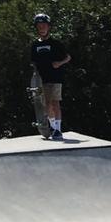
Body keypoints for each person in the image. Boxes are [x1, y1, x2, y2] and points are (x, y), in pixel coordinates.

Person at [29, 13, 73, 141]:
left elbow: (68, 57)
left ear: (48, 27)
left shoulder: (55, 43)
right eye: (39, 26)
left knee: (55, 102)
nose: (42, 28)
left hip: (55, 77)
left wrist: (59, 63)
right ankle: (52, 127)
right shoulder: (35, 45)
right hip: (42, 79)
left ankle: (58, 129)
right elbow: (34, 62)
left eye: (44, 25)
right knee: (46, 104)